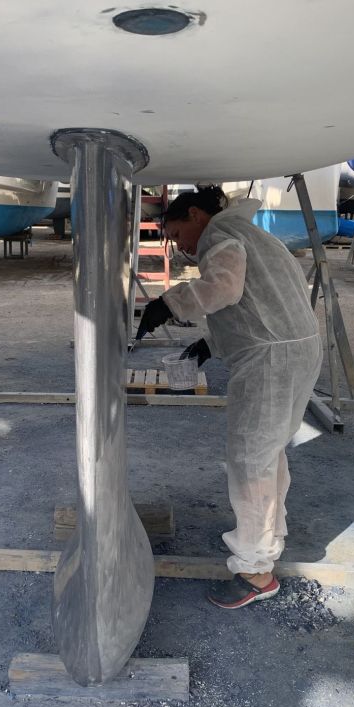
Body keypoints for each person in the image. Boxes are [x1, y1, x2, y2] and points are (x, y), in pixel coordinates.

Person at [136, 185, 322, 609]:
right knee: (267, 453)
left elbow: (223, 288)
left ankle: (256, 571)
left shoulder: (221, 236)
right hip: (293, 350)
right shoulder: (251, 235)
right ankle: (267, 540)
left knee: (250, 459)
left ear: (196, 215)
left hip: (271, 360)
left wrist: (169, 303)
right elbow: (257, 304)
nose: (180, 247)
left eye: (177, 234)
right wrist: (211, 344)